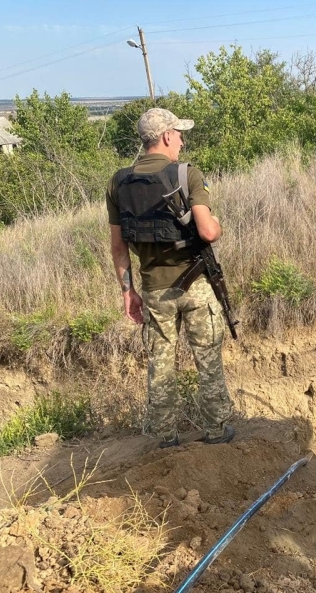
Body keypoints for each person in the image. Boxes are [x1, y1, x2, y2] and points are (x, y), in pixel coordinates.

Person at [106, 107, 234, 449]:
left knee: (160, 363)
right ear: (165, 136)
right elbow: (208, 232)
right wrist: (217, 224)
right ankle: (217, 430)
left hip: (154, 290)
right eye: (178, 133)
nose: (181, 139)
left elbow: (118, 247)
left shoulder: (119, 182)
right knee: (207, 357)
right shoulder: (186, 174)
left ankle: (165, 436)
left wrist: (127, 292)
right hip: (196, 287)